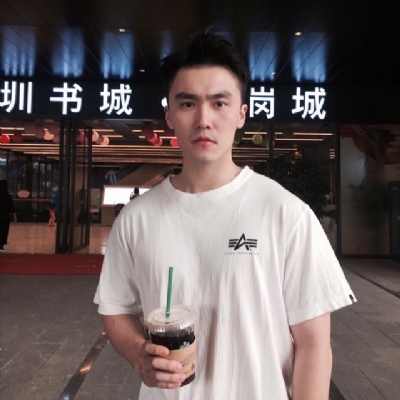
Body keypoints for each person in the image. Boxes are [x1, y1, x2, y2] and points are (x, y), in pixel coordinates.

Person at [94, 31, 356, 400]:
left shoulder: (286, 213)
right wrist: (139, 354)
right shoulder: (137, 218)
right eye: (188, 103)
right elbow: (116, 310)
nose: (204, 119)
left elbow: (313, 345)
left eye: (219, 103)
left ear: (241, 114)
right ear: (169, 116)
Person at [0, 180, 16, 252]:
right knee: (4, 231)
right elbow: (11, 207)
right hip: (5, 217)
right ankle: (1, 245)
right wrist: (14, 216)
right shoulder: (8, 196)